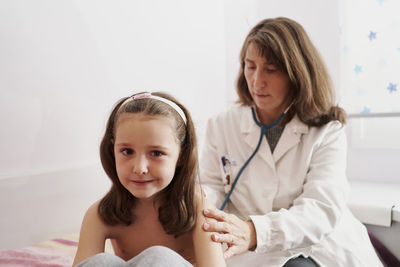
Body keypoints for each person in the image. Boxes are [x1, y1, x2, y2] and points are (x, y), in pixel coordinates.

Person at [199, 17, 383, 267]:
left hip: (314, 245)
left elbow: (320, 209)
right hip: (246, 246)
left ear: (297, 73)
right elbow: (211, 187)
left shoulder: (327, 130)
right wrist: (204, 214)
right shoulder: (222, 125)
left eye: (271, 69)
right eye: (250, 66)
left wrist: (255, 232)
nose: (257, 81)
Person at [73, 92, 226, 267]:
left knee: (159, 258)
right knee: (100, 262)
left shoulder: (199, 210)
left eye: (156, 153)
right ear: (112, 149)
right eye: (127, 151)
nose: (139, 168)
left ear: (181, 155)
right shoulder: (100, 214)